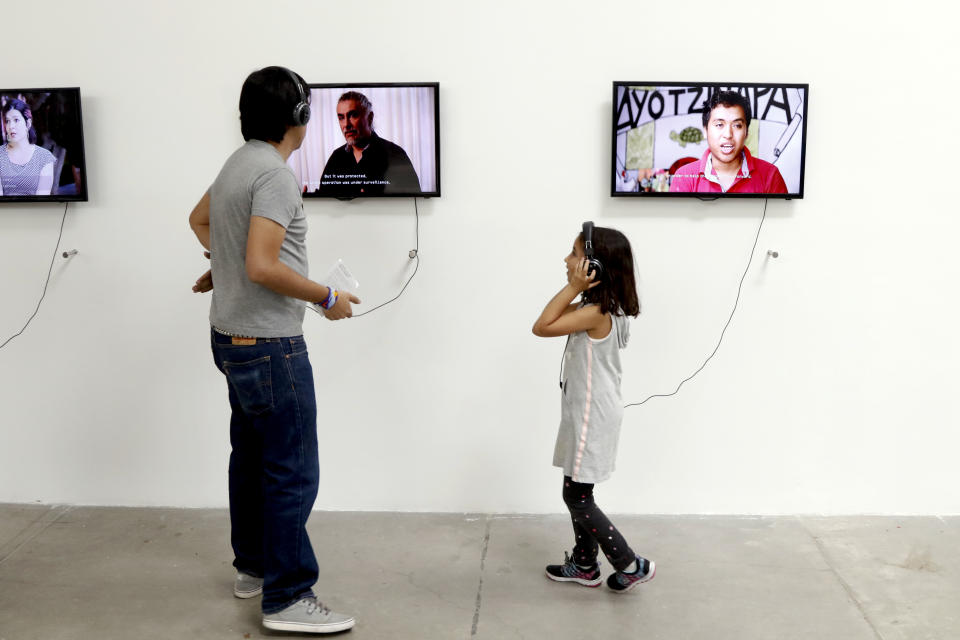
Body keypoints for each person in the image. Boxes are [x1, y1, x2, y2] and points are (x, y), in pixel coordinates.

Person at [188, 66, 360, 634]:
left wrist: (225, 270)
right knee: (293, 472)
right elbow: (264, 264)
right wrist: (327, 295)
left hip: (230, 339)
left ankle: (254, 569)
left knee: (251, 459)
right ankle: (288, 598)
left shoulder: (238, 163)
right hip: (270, 347)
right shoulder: (277, 176)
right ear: (300, 118)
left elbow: (201, 220)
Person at [532, 222, 655, 594]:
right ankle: (585, 563)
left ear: (595, 267)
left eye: (574, 254)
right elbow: (554, 315)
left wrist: (573, 285)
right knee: (576, 486)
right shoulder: (601, 306)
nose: (566, 260)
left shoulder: (596, 312)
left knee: (576, 496)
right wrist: (576, 290)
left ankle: (630, 563)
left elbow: (541, 326)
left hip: (591, 415)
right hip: (590, 411)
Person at [669, 90, 788, 194]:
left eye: (737, 125)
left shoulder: (770, 175)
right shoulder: (684, 176)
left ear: (746, 132)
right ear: (705, 130)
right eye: (719, 124)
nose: (728, 134)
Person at [315, 91, 420, 197]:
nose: (346, 124)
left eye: (353, 115)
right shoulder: (336, 158)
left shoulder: (395, 155)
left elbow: (413, 199)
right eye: (341, 117)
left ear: (370, 117)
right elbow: (325, 196)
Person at [0, 98, 56, 196]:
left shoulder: (44, 157)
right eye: (7, 121)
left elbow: (41, 201)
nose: (11, 126)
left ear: (28, 123)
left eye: (16, 120)